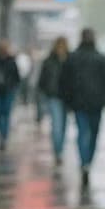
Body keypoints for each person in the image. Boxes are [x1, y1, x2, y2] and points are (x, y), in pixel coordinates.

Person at [58, 28, 105, 188]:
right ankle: (88, 161)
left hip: (79, 103)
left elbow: (64, 82)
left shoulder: (73, 58)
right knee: (94, 133)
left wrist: (67, 101)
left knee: (83, 132)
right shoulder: (100, 58)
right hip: (96, 103)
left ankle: (84, 162)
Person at [37, 37, 70, 166]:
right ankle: (58, 152)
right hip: (53, 97)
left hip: (66, 98)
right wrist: (45, 93)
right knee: (57, 125)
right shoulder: (49, 61)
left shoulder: (69, 60)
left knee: (63, 126)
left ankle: (59, 149)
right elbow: (42, 80)